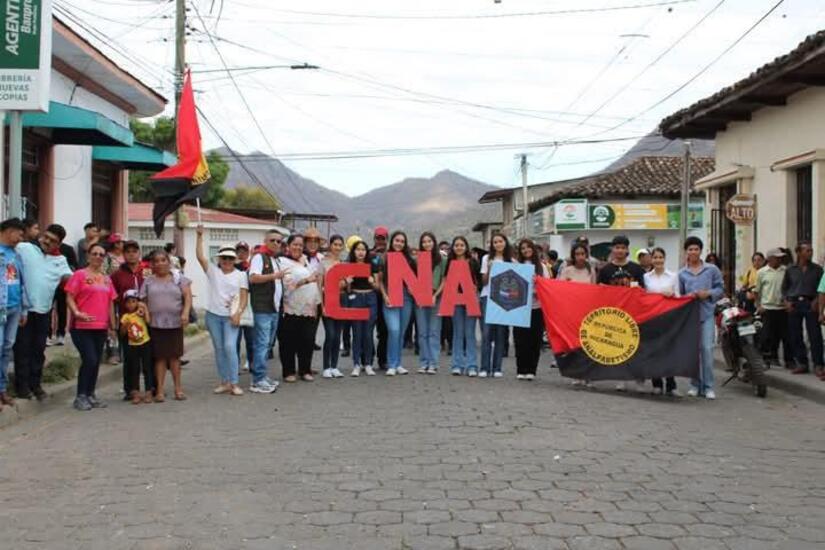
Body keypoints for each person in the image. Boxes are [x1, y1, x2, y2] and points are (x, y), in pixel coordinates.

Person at [13, 223, 72, 401]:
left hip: (44, 312)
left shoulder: (61, 260)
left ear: (58, 244)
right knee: (22, 349)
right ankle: (22, 387)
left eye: (52, 240)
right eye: (45, 237)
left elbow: (70, 280)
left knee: (39, 349)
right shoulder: (25, 248)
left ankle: (36, 385)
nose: (46, 241)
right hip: (23, 311)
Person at [196, 225, 248, 396]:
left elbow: (244, 296)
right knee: (219, 348)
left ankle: (234, 382)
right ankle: (224, 382)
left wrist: (238, 313)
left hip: (231, 317)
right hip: (213, 315)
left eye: (230, 258)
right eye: (224, 258)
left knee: (230, 347)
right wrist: (199, 236)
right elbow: (200, 257)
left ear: (234, 260)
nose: (227, 261)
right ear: (219, 259)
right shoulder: (213, 271)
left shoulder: (241, 275)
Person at [65, 243, 117, 411]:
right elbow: (69, 297)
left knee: (95, 362)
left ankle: (90, 394)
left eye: (101, 254)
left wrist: (112, 326)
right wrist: (77, 312)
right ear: (88, 256)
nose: (98, 257)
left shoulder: (106, 279)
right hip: (81, 326)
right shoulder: (79, 275)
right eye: (94, 253)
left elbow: (110, 303)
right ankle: (80, 396)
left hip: (100, 327)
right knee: (90, 359)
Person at [140, 249, 192, 402]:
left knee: (175, 358)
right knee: (160, 358)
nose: (160, 263)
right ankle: (160, 391)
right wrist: (145, 314)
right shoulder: (148, 281)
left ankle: (178, 389)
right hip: (156, 324)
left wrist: (185, 313)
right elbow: (143, 300)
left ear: (169, 262)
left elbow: (187, 296)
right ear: (152, 264)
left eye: (163, 260)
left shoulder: (178, 279)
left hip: (175, 323)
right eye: (156, 261)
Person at [679, 236, 725, 399]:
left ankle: (708, 386)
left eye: (696, 249)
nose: (693, 252)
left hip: (707, 314)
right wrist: (687, 297)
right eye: (690, 249)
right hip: (690, 317)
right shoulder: (682, 273)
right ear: (686, 251)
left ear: (701, 251)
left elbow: (720, 289)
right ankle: (695, 384)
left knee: (707, 349)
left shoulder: (712, 270)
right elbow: (680, 295)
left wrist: (708, 293)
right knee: (694, 352)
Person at [248, 229, 287, 393]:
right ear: (265, 241)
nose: (276, 243)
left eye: (279, 241)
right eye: (273, 240)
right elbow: (253, 278)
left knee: (268, 344)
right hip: (262, 308)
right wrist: (274, 276)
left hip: (274, 308)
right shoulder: (259, 257)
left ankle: (262, 376)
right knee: (262, 344)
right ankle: (257, 380)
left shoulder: (275, 260)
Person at [279, 234, 322, 382]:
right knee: (289, 342)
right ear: (288, 246)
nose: (298, 247)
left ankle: (305, 370)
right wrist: (306, 280)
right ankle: (289, 372)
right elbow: (288, 286)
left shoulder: (306, 261)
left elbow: (315, 284)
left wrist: (316, 305)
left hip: (309, 309)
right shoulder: (282, 262)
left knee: (308, 340)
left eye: (300, 245)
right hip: (291, 308)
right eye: (295, 244)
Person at [781, 241, 824, 376]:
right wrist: (786, 301)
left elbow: (821, 288)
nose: (810, 253)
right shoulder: (790, 269)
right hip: (794, 303)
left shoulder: (817, 269)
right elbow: (784, 288)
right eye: (807, 251)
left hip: (810, 303)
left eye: (811, 250)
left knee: (815, 335)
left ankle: (818, 364)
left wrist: (816, 301)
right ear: (799, 253)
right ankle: (801, 362)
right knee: (795, 334)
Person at [110, 239, 145, 399]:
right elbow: (112, 298)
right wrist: (113, 322)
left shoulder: (147, 271)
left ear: (139, 253)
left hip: (146, 319)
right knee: (130, 357)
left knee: (148, 356)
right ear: (123, 254)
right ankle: (130, 389)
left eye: (134, 251)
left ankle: (152, 388)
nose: (131, 255)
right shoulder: (117, 275)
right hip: (127, 321)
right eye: (128, 252)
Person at [644, 247, 681, 396]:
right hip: (652, 318)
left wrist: (672, 295)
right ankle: (657, 384)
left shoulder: (673, 276)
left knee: (668, 351)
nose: (658, 260)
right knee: (654, 351)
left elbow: (679, 296)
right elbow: (643, 296)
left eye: (660, 257)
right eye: (655, 257)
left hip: (668, 318)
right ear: (651, 259)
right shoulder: (646, 277)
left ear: (664, 259)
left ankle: (671, 385)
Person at [378, 230, 415, 376]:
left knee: (401, 333)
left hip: (406, 298)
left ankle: (398, 363)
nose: (399, 243)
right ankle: (391, 364)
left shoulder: (410, 260)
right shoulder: (384, 258)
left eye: (402, 241)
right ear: (392, 241)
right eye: (397, 240)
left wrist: (413, 289)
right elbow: (380, 280)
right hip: (390, 296)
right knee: (394, 330)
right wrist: (385, 295)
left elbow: (414, 279)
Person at [0, 218, 27, 410]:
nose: (20, 238)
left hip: (14, 307)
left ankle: (2, 389)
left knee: (7, 348)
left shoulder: (16, 254)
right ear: (10, 231)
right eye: (20, 234)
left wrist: (24, 309)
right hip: (1, 307)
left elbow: (22, 281)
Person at [514, 239, 549, 381]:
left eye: (528, 247)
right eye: (523, 248)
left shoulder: (542, 267)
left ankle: (531, 370)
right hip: (520, 308)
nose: (526, 250)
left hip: (537, 307)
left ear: (533, 249)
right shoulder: (517, 266)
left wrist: (537, 290)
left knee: (534, 340)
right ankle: (521, 369)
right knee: (520, 339)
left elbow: (547, 286)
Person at [479, 233, 513, 378]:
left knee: (500, 333)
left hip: (504, 299)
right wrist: (490, 269)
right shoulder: (486, 258)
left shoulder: (512, 261)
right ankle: (484, 367)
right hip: (488, 296)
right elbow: (483, 281)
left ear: (505, 242)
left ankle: (497, 368)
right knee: (486, 333)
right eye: (495, 242)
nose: (498, 244)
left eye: (500, 241)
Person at [445, 236, 480, 376]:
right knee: (457, 333)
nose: (459, 247)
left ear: (466, 247)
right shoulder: (450, 262)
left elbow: (479, 280)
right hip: (455, 300)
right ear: (453, 248)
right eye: (456, 245)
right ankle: (457, 365)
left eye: (461, 245)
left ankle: (472, 366)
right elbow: (446, 280)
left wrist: (476, 287)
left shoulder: (473, 262)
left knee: (470, 334)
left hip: (470, 299)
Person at [415, 232, 446, 375]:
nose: (427, 244)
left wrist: (435, 295)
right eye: (424, 242)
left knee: (434, 331)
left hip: (436, 299)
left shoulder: (442, 259)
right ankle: (424, 362)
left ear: (434, 242)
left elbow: (444, 281)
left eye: (429, 241)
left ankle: (433, 363)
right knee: (422, 332)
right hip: (420, 299)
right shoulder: (417, 260)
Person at [347, 240, 379, 377]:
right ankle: (356, 364)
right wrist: (348, 282)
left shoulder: (372, 265)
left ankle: (368, 363)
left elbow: (377, 286)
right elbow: (348, 290)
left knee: (368, 333)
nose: (360, 252)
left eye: (363, 250)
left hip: (370, 298)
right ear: (353, 252)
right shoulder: (349, 265)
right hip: (356, 298)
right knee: (357, 333)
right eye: (358, 249)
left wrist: (372, 281)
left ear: (367, 252)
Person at [754, 248, 790, 369]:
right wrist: (759, 305)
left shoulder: (785, 270)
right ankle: (768, 358)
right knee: (767, 335)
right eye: (776, 258)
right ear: (770, 259)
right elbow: (756, 291)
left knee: (784, 335)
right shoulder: (762, 272)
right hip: (767, 307)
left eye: (780, 258)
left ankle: (788, 359)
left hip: (782, 308)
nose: (779, 260)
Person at [119, 289, 153, 404]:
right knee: (135, 369)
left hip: (145, 343)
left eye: (134, 301)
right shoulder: (125, 317)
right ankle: (136, 393)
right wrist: (125, 326)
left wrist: (145, 310)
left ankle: (148, 391)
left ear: (138, 302)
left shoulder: (141, 313)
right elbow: (122, 333)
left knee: (147, 368)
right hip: (133, 345)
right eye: (128, 302)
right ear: (125, 304)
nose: (131, 304)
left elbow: (148, 322)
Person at [320, 234, 346, 379]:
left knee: (337, 335)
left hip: (341, 300)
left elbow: (346, 284)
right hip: (328, 300)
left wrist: (346, 282)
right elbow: (319, 285)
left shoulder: (343, 263)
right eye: (335, 244)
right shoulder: (323, 263)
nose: (337, 247)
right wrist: (322, 306)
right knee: (330, 334)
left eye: (340, 245)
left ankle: (334, 367)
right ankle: (326, 367)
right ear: (330, 245)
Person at [49, 239, 78, 347]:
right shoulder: (47, 248)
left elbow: (74, 265)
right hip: (49, 284)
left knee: (62, 309)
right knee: (48, 309)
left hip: (63, 284)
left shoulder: (68, 249)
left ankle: (61, 334)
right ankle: (48, 334)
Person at [234, 241, 254, 373]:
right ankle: (234, 365)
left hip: (249, 306)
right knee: (235, 340)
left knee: (250, 339)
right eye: (239, 251)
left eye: (244, 251)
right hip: (235, 306)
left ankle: (251, 363)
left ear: (248, 253)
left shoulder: (251, 268)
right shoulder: (230, 267)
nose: (241, 254)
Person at [371, 226, 389, 369]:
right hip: (370, 296)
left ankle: (382, 359)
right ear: (374, 239)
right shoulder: (367, 254)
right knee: (367, 329)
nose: (380, 241)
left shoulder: (392, 255)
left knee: (384, 330)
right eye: (378, 238)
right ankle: (367, 358)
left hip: (386, 296)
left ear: (387, 239)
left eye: (383, 239)